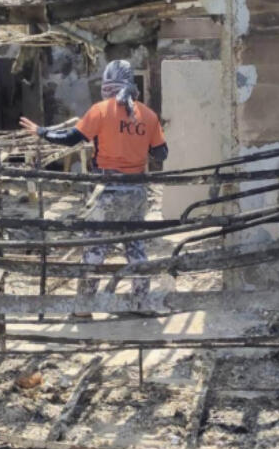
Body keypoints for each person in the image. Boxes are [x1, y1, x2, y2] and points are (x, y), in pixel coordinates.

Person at [20, 60, 168, 317]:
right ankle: (141, 303)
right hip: (136, 191)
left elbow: (71, 138)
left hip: (106, 191)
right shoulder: (149, 115)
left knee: (95, 249)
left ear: (107, 83)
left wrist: (42, 131)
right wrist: (138, 142)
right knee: (135, 247)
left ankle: (84, 309)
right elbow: (161, 153)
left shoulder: (101, 111)